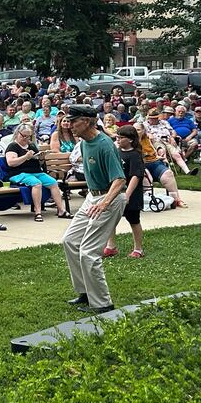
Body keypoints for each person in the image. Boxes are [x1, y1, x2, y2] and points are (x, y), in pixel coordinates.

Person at [62, 104, 126, 314]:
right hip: (93, 196)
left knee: (89, 251)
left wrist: (104, 203)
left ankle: (102, 304)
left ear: (87, 121)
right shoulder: (83, 142)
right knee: (70, 241)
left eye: (73, 121)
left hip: (109, 198)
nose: (69, 125)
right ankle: (84, 292)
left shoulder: (105, 145)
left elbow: (119, 180)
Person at [103, 125, 145, 259]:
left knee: (133, 220)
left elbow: (135, 176)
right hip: (115, 191)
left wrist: (127, 195)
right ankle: (111, 246)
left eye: (121, 137)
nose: (118, 139)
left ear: (131, 140)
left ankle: (138, 248)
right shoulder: (116, 152)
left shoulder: (135, 155)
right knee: (111, 220)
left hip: (131, 194)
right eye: (117, 137)